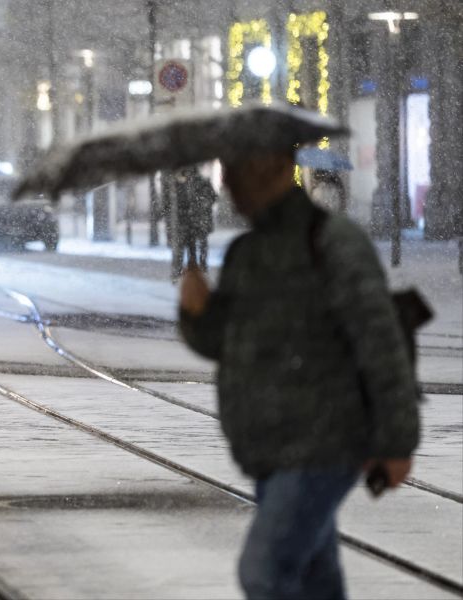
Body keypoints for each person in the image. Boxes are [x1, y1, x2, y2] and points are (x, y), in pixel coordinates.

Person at [178, 149, 420, 599]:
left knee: (264, 572)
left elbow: (381, 343)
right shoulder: (246, 253)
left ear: (270, 166)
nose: (226, 183)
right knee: (314, 579)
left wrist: (396, 440)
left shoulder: (332, 242)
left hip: (325, 443)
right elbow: (222, 342)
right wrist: (195, 311)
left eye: (235, 169)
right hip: (270, 448)